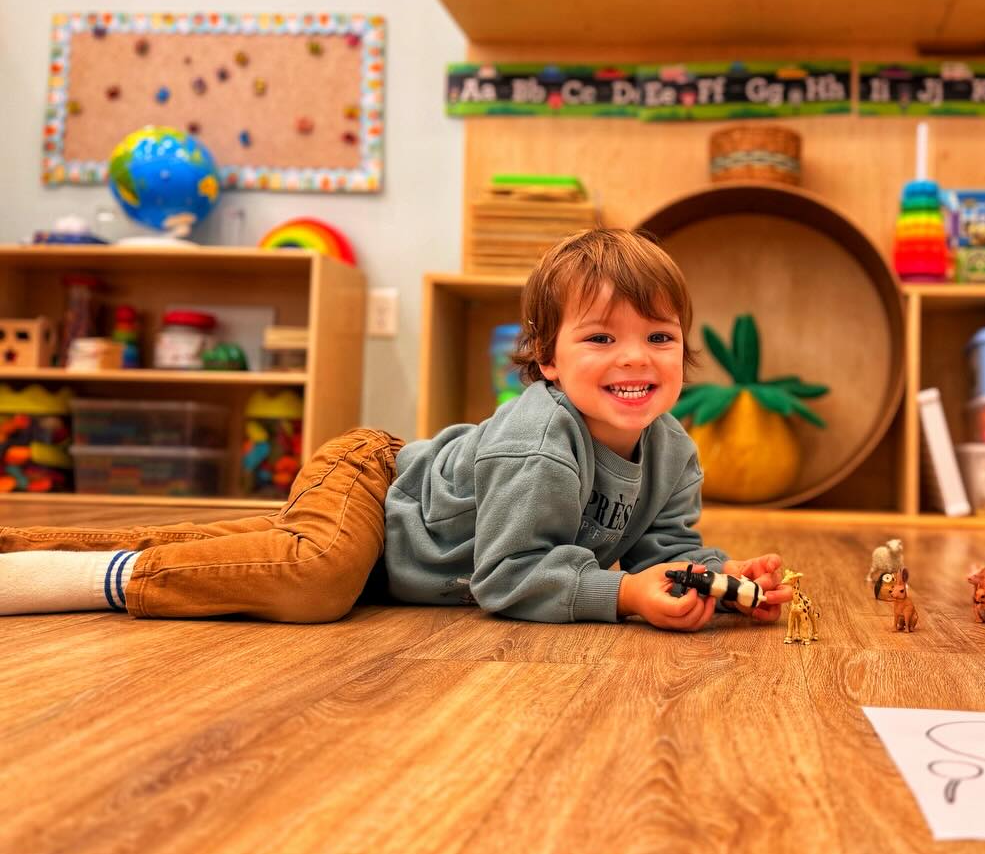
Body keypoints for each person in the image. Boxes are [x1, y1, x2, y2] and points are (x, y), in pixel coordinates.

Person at [0, 228, 789, 630]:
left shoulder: (673, 449)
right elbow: (510, 577)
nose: (637, 360)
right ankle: (85, 583)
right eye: (600, 338)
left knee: (249, 550)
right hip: (373, 484)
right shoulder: (541, 440)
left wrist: (715, 582)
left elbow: (665, 548)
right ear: (546, 359)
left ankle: (25, 548)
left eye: (659, 338)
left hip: (393, 552)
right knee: (312, 581)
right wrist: (620, 595)